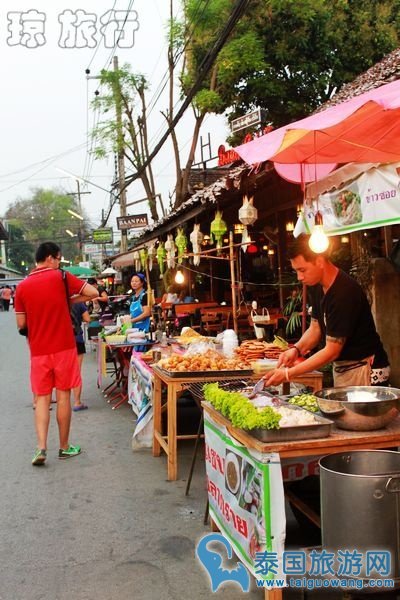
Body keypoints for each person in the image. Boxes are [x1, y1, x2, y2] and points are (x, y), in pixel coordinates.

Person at [264, 234, 388, 388]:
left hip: (365, 367)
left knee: (358, 413)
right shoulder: (317, 285)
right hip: (345, 368)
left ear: (320, 261)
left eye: (302, 270)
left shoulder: (344, 292)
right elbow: (315, 328)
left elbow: (332, 350)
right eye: (296, 271)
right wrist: (296, 349)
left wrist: (289, 374)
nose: (299, 277)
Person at [14, 242, 98, 466]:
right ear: (50, 258)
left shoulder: (22, 287)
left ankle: (41, 447)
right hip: (64, 347)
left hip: (39, 351)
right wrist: (68, 300)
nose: (60, 263)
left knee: (42, 399)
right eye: (59, 258)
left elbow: (21, 324)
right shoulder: (60, 277)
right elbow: (93, 292)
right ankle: (64, 447)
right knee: (63, 396)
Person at [71, 302, 91, 411]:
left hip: (60, 340)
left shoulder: (56, 300)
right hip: (76, 338)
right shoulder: (79, 302)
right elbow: (87, 319)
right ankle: (77, 402)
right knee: (76, 371)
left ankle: (60, 399)